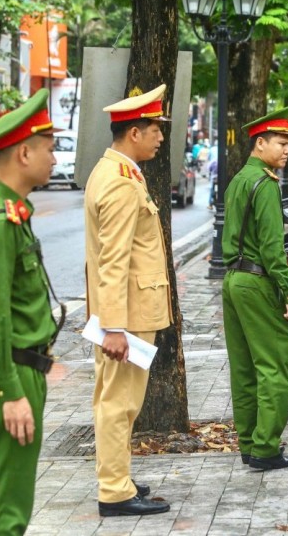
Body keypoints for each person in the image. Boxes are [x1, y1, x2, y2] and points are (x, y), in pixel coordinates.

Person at [0, 88, 62, 534]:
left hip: (16, 366)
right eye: (49, 148)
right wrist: (11, 393)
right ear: (24, 153)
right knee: (9, 508)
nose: (55, 158)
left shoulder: (10, 213)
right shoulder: (1, 223)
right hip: (12, 370)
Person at [84, 85, 173, 516]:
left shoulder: (118, 172)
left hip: (125, 312)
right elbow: (114, 261)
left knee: (114, 400)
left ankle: (117, 479)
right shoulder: (120, 184)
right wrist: (115, 326)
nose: (160, 137)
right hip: (129, 314)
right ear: (134, 132)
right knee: (120, 403)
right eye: (155, 129)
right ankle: (115, 492)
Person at [222, 107, 288, 471]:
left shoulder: (240, 179)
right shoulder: (266, 185)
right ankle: (266, 448)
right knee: (273, 367)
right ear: (260, 143)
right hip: (257, 283)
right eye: (281, 143)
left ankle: (249, 443)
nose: (287, 150)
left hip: (233, 281)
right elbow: (273, 249)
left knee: (244, 367)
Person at [207, 142, 218, 209]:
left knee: (212, 188)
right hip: (219, 175)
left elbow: (208, 168)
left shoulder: (212, 149)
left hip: (214, 174)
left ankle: (210, 204)